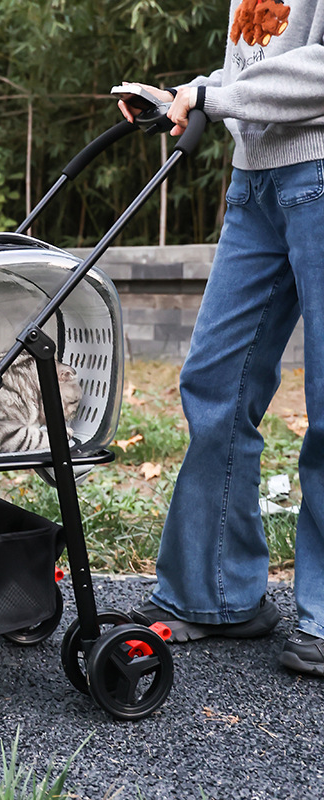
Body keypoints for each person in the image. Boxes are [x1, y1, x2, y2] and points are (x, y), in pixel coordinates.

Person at [116, 0, 324, 676]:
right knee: (215, 385)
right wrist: (186, 95)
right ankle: (216, 595)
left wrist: (214, 94)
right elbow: (256, 67)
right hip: (255, 183)